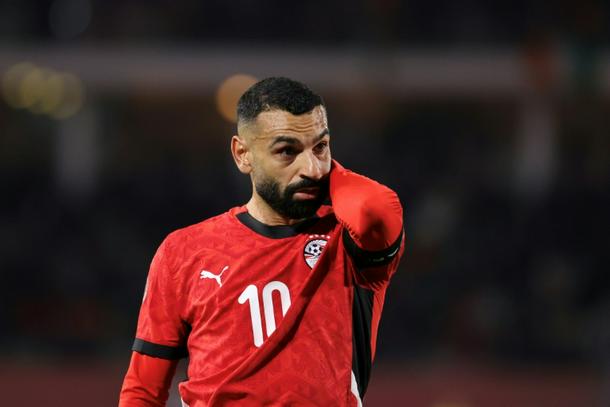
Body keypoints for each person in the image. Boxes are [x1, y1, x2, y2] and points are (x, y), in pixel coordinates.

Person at [119, 77, 405, 406]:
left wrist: (328, 173)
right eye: (287, 151)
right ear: (243, 154)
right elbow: (143, 390)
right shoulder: (183, 251)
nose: (311, 169)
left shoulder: (348, 243)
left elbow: (376, 209)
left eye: (320, 147)